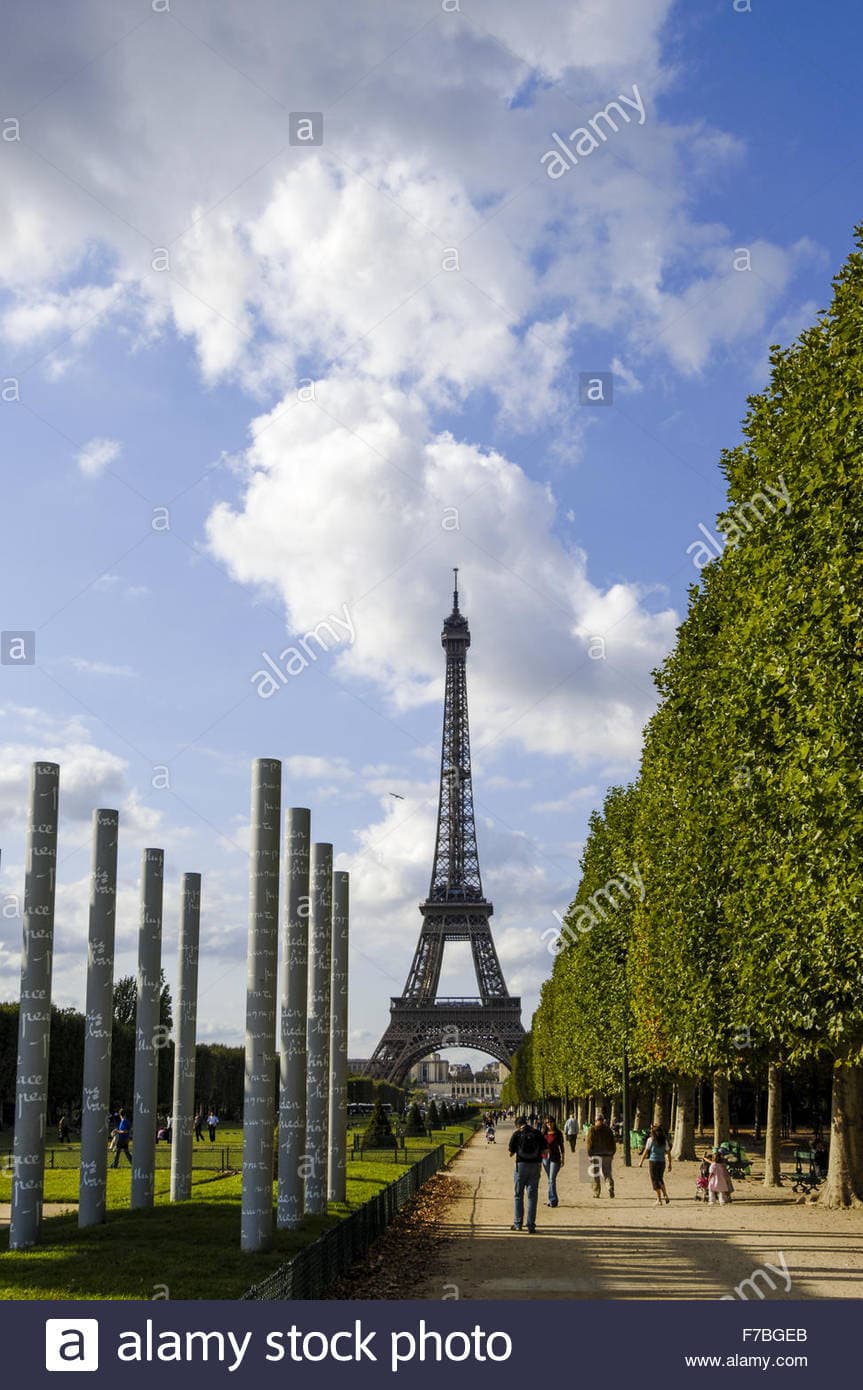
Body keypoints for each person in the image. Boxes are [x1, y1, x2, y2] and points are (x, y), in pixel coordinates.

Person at [508, 1116, 544, 1232]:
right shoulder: (537, 1133)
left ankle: (518, 1224)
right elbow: (546, 1151)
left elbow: (510, 1153)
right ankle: (531, 1226)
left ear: (518, 1125)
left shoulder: (517, 1134)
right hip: (534, 1166)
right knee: (532, 1197)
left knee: (518, 1195)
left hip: (521, 1166)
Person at [586, 1111, 616, 1198]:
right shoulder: (608, 1130)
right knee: (607, 1173)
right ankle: (609, 1186)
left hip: (596, 1154)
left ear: (595, 1120)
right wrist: (612, 1152)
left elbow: (589, 1143)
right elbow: (613, 1142)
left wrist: (589, 1154)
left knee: (595, 1174)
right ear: (603, 1120)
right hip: (607, 1154)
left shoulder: (592, 1129)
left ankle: (596, 1192)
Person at [639, 1123, 672, 1205]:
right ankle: (665, 1194)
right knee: (660, 1179)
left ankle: (659, 1199)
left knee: (654, 1180)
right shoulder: (664, 1141)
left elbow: (646, 1151)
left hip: (653, 1161)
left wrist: (641, 1162)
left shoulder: (650, 1140)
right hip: (662, 1162)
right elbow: (668, 1153)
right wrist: (670, 1164)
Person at [541, 1116, 565, 1207]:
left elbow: (561, 1147)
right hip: (545, 1158)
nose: (549, 1124)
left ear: (554, 1122)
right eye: (547, 1123)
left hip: (555, 1158)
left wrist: (563, 1158)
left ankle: (553, 1200)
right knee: (550, 1180)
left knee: (551, 1179)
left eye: (550, 1122)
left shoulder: (558, 1133)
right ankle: (551, 1198)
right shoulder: (543, 1133)